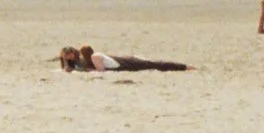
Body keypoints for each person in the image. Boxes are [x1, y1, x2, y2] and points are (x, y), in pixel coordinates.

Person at [59, 44, 188, 73]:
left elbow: (101, 71)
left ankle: (185, 67)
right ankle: (185, 67)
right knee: (152, 64)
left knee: (153, 64)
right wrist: (65, 62)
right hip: (122, 63)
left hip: (125, 63)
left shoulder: (94, 57)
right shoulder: (77, 62)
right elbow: (66, 70)